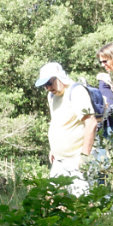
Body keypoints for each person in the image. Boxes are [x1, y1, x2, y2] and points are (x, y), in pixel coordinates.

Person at [35, 62, 97, 197]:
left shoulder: (76, 92)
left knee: (82, 202)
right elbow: (57, 122)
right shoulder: (51, 96)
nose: (48, 88)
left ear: (59, 77)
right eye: (44, 85)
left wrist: (85, 156)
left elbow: (91, 123)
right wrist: (53, 148)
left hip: (76, 159)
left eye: (50, 83)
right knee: (51, 199)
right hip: (59, 159)